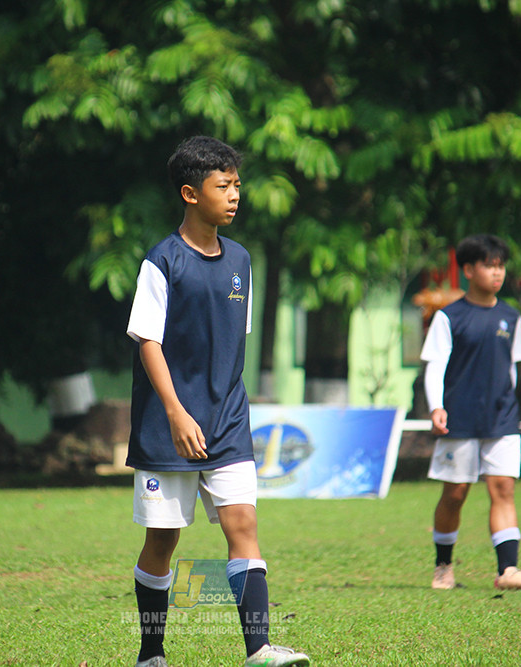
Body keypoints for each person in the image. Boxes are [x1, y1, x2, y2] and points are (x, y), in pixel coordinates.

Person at [125, 136, 310, 667]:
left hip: (227, 421)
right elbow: (148, 343)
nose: (234, 196)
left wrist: (215, 407)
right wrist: (176, 412)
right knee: (162, 543)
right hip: (169, 428)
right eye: (222, 186)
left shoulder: (242, 262)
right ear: (190, 192)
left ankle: (259, 649)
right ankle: (151, 654)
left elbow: (233, 344)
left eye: (237, 185)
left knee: (243, 527)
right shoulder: (161, 261)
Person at [420, 234, 521, 592]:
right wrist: (436, 407)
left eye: (500, 265)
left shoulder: (510, 316)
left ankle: (508, 570)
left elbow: (511, 370)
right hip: (460, 417)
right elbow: (435, 366)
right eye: (489, 265)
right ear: (468, 269)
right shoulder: (450, 317)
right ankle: (443, 566)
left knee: (503, 488)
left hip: (502, 418)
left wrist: (508, 404)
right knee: (456, 493)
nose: (497, 272)